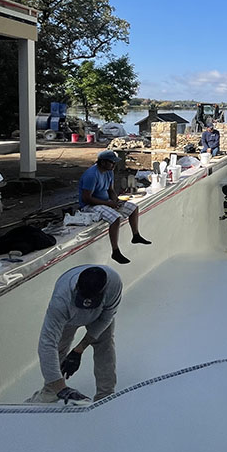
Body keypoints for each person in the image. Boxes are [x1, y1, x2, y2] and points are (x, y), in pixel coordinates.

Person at [28, 265, 122, 404]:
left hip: (99, 315)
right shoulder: (61, 300)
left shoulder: (114, 284)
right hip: (69, 318)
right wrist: (62, 388)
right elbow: (47, 343)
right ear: (76, 288)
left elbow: (106, 318)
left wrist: (79, 350)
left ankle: (106, 396)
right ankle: (51, 392)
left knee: (105, 346)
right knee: (59, 349)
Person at [78, 150, 151, 265]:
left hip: (105, 201)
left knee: (133, 207)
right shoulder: (91, 175)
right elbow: (87, 198)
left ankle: (136, 235)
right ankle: (115, 251)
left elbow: (110, 190)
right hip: (90, 205)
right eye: (112, 162)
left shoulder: (109, 172)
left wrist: (115, 200)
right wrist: (108, 204)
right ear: (102, 162)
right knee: (115, 218)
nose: (114, 165)